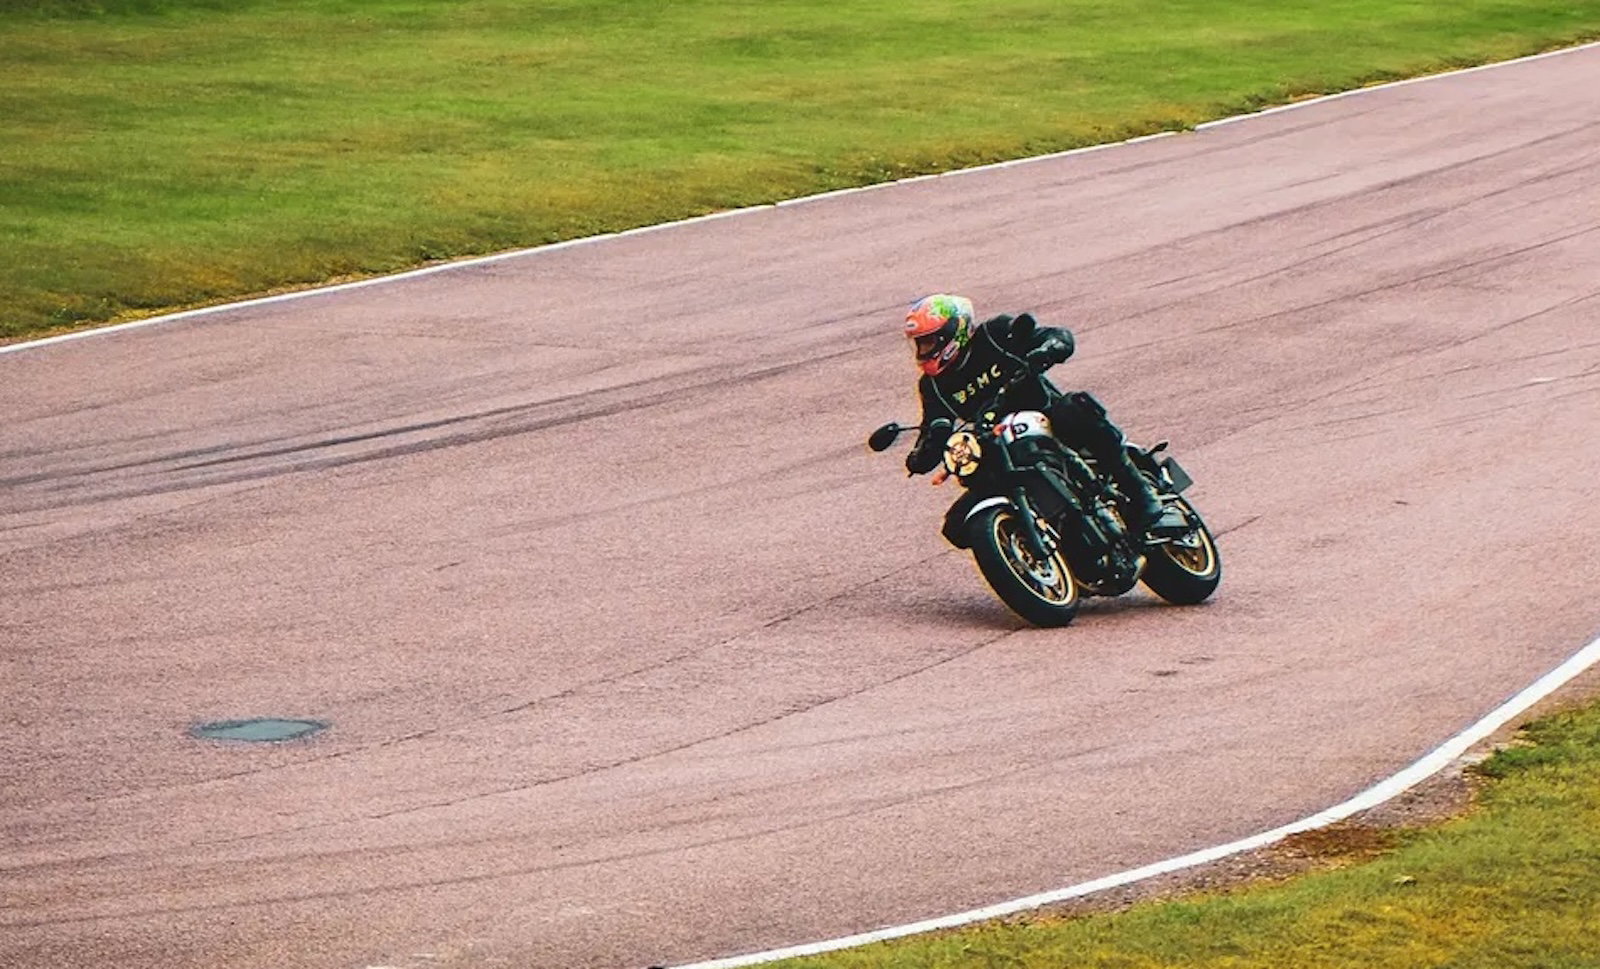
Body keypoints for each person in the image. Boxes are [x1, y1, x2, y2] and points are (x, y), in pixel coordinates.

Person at [900, 293, 1165, 531]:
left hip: (1047, 417)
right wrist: (919, 457)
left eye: (929, 341)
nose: (923, 350)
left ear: (953, 332)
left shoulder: (995, 334)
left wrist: (1048, 349)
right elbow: (934, 428)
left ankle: (1139, 491)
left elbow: (1055, 336)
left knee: (1074, 409)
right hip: (996, 441)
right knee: (956, 525)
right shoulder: (933, 385)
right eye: (920, 343)